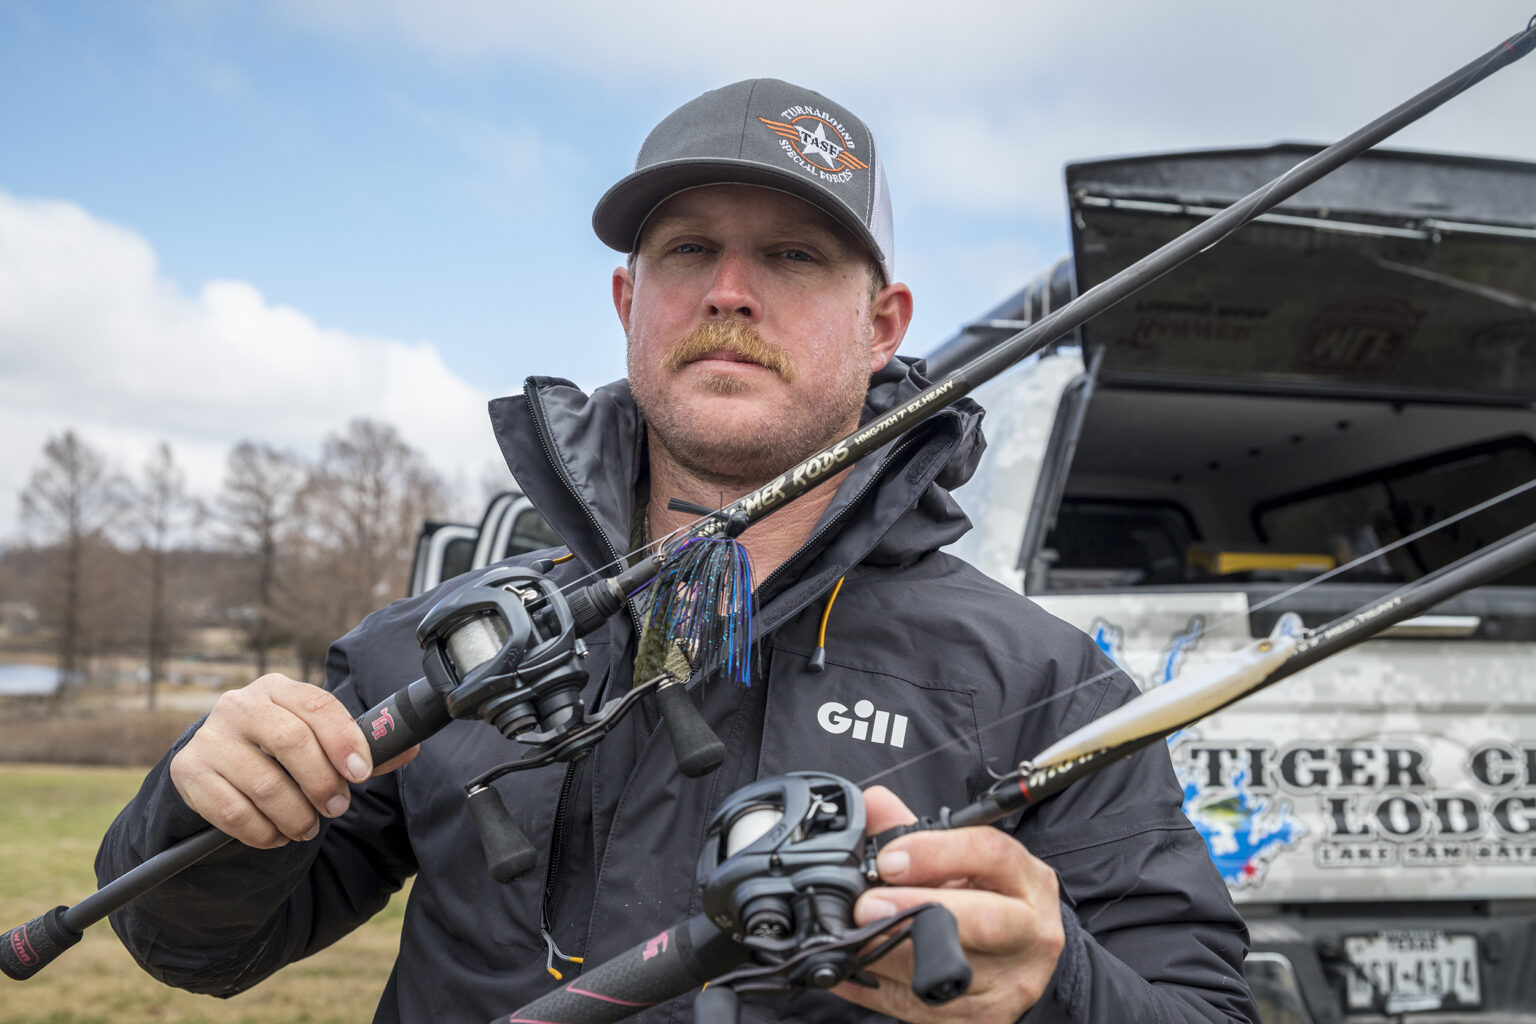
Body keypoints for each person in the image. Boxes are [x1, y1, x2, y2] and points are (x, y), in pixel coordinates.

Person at [97, 79, 1258, 1024]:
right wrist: (206, 805)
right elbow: (194, 949)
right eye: (689, 250)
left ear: (884, 325)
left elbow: (1203, 1008)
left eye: (796, 256)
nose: (733, 292)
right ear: (627, 301)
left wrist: (1055, 989)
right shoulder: (442, 647)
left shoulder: (1047, 684)